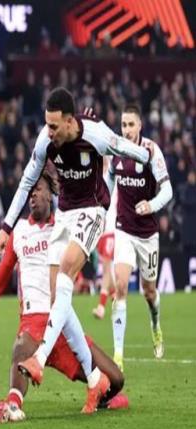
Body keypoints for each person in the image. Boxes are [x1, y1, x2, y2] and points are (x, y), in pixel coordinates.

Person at [0, 87, 152, 413]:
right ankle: (94, 381)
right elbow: (26, 181)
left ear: (69, 121)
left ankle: (39, 358)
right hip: (65, 213)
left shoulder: (95, 135)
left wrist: (148, 156)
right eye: (46, 125)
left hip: (92, 211)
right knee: (58, 302)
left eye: (53, 126)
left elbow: (126, 148)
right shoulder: (45, 141)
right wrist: (6, 226)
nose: (48, 131)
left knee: (66, 270)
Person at [0, 171, 128, 422]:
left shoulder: (64, 229)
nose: (33, 195)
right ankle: (12, 405)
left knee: (117, 380)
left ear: (51, 194)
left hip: (64, 326)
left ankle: (102, 398)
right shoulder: (20, 231)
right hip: (33, 324)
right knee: (21, 346)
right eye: (30, 191)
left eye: (38, 190)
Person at [105, 103, 173, 371]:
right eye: (123, 125)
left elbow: (167, 191)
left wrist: (151, 205)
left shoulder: (151, 151)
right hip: (124, 229)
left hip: (147, 234)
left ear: (140, 126)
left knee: (149, 291)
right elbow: (110, 181)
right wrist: (102, 204)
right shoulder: (116, 150)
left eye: (131, 124)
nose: (127, 130)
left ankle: (155, 325)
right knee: (121, 286)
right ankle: (118, 356)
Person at [92, 159, 117, 319]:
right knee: (107, 267)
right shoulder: (95, 178)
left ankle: (101, 307)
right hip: (100, 230)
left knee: (107, 266)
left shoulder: (113, 177)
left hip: (111, 228)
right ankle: (116, 299)